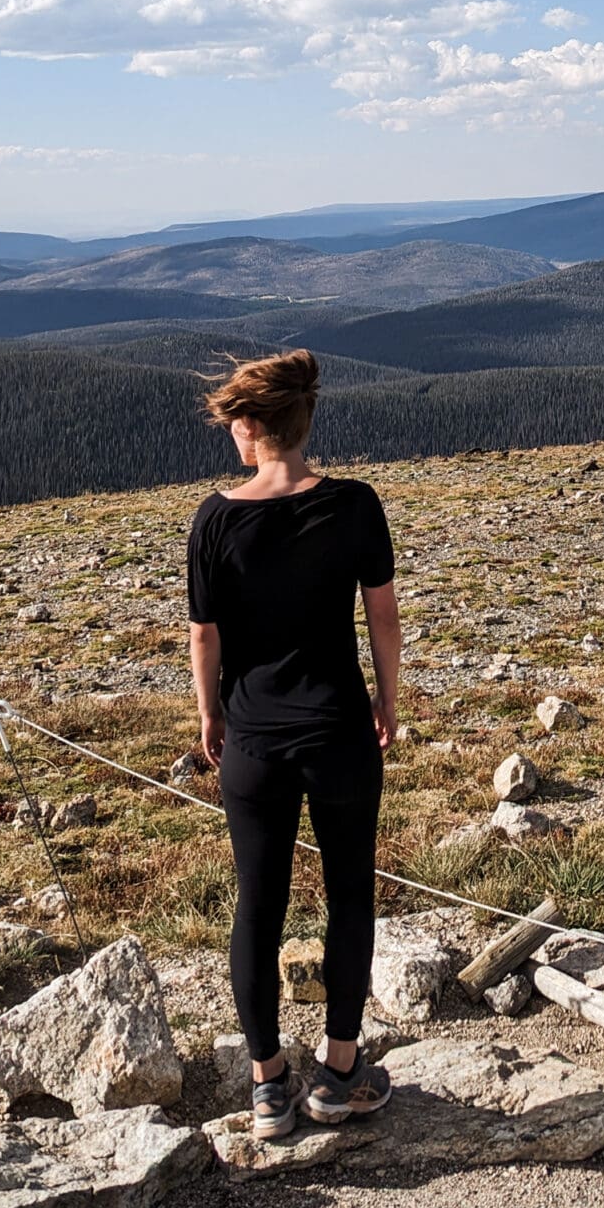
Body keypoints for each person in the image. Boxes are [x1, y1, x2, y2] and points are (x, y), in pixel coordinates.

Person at [186, 347, 401, 1141]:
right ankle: (340, 1075)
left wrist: (210, 716)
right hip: (340, 729)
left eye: (235, 427)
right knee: (350, 894)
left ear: (250, 430)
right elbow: (382, 615)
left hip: (253, 738)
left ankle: (268, 1084)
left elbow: (204, 637)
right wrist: (388, 696)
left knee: (259, 905)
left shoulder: (214, 518)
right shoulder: (354, 506)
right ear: (304, 423)